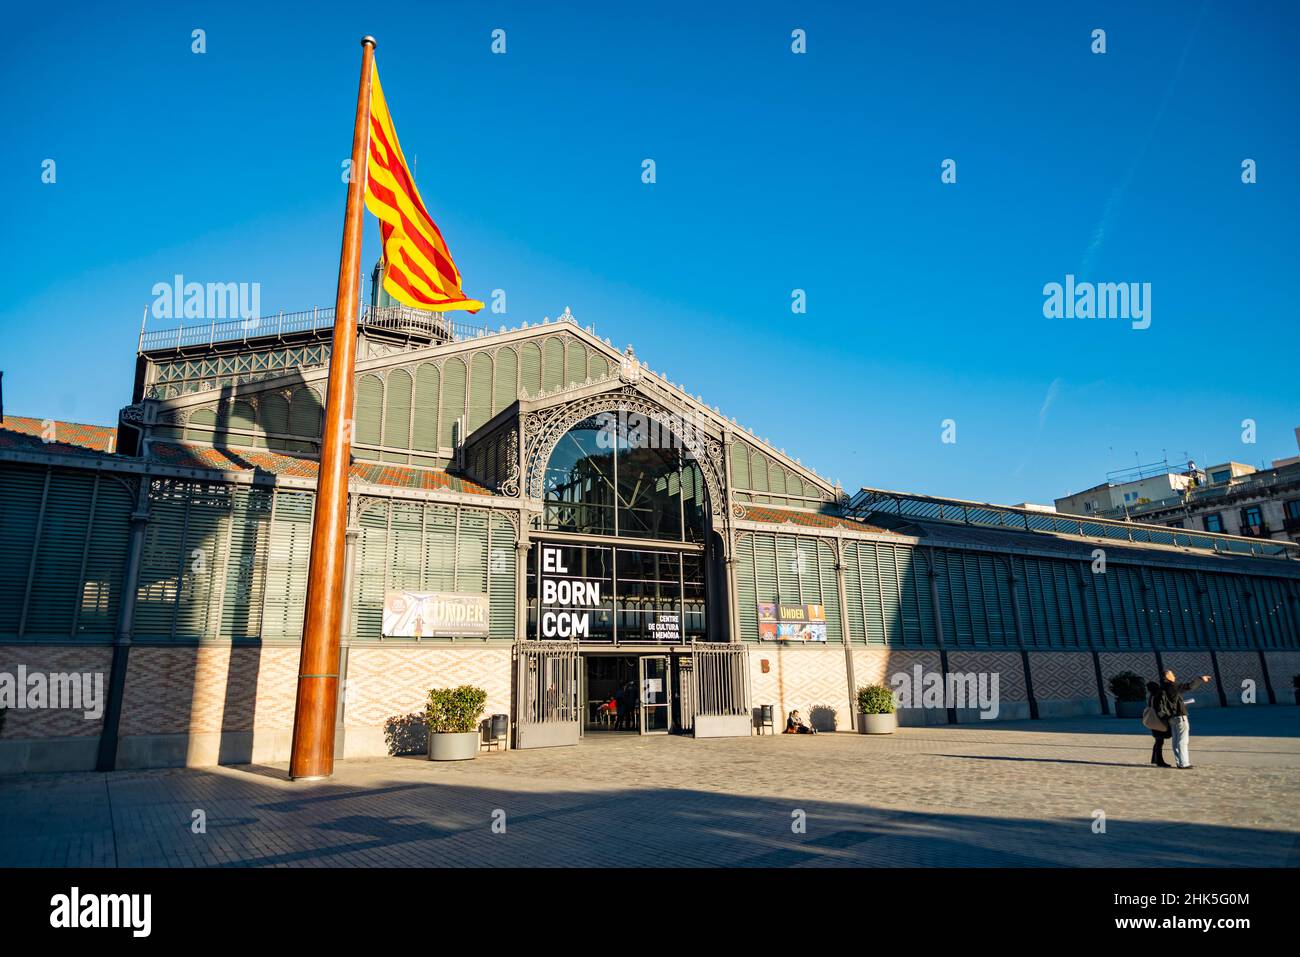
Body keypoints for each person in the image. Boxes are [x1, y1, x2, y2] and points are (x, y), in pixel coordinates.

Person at [1160, 669, 1211, 769]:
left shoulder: (1162, 687)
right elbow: (1189, 686)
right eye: (1172, 675)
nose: (1174, 676)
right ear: (1167, 676)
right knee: (1183, 740)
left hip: (1171, 717)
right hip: (1180, 716)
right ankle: (1184, 763)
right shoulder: (1172, 685)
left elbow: (1171, 701)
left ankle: (1179, 762)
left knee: (1175, 740)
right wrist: (1200, 679)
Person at [1145, 680, 1172, 768]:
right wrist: (1167, 717)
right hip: (1159, 721)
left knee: (1158, 741)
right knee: (1159, 741)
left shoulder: (1151, 696)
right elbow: (1160, 709)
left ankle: (1155, 759)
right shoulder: (1158, 695)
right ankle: (1159, 761)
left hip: (1153, 721)